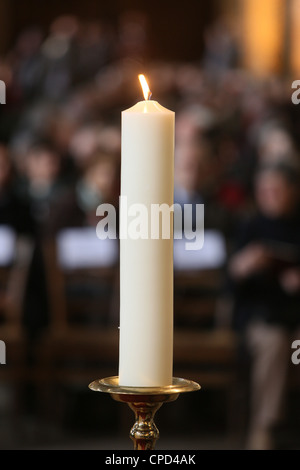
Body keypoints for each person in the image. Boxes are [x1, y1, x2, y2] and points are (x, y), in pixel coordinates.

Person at [228, 162, 300, 449]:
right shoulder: (250, 226)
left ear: (293, 191)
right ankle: (264, 428)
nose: (270, 195)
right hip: (262, 320)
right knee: (275, 344)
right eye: (265, 190)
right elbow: (231, 283)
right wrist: (242, 266)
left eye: (277, 190)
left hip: (295, 318)